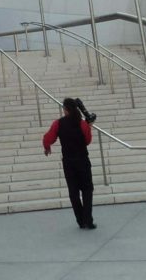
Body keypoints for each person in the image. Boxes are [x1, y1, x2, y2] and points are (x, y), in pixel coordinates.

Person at [43, 97, 95, 229]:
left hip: (68, 162)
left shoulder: (58, 123)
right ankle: (88, 219)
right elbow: (87, 141)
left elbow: (48, 137)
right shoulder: (82, 123)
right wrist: (89, 127)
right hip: (83, 160)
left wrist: (47, 147)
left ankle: (80, 220)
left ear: (66, 109)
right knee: (87, 189)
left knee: (73, 192)